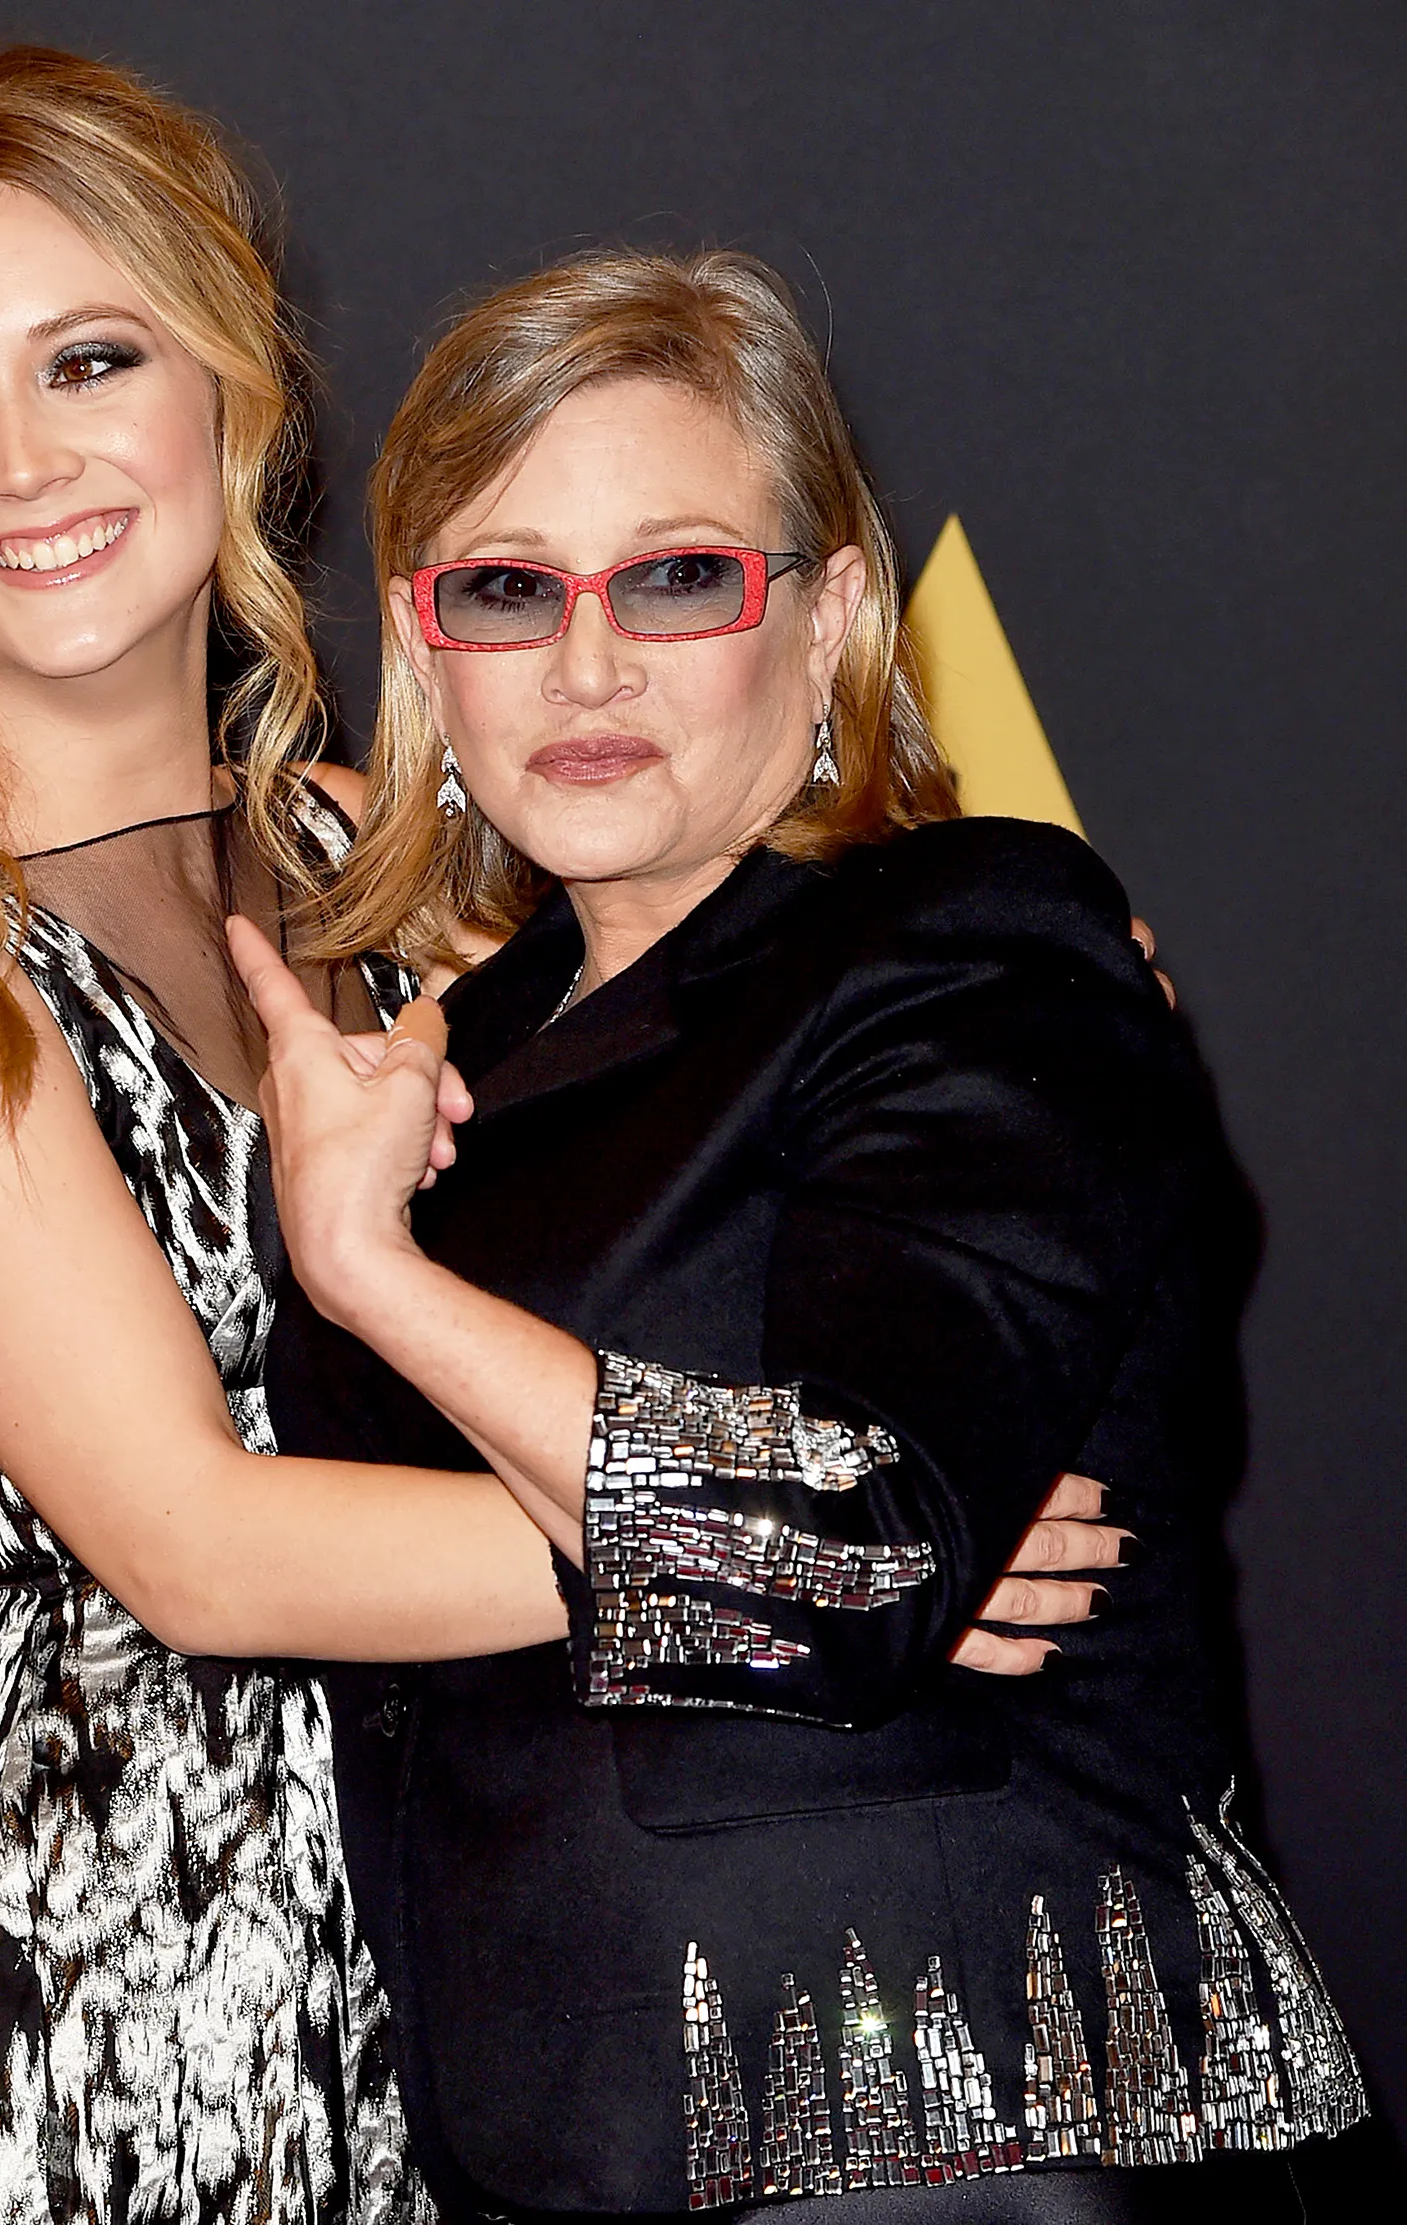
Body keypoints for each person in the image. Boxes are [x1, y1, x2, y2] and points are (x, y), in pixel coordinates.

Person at [0, 44, 1120, 2225]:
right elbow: (199, 1549)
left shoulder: (387, 871)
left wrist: (852, 1514)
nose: (23, 459)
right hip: (113, 2047)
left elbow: (819, 1097)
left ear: (233, 389)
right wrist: (806, 1561)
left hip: (470, 1995)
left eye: (90, 356)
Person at [212, 251, 1369, 2219]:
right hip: (539, 2134)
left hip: (958, 2142)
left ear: (827, 614)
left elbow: (844, 1562)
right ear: (426, 643)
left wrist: (375, 1283)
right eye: (508, 588)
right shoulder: (424, 1074)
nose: (586, 667)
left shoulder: (974, 955)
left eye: (675, 576)